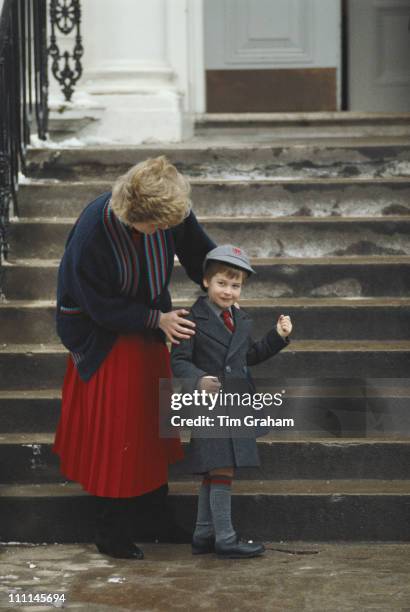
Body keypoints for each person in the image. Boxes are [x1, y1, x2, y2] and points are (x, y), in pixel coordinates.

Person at [53, 156, 215, 559]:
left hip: (149, 325)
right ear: (133, 215)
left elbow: (198, 253)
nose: (164, 232)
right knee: (117, 433)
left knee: (152, 428)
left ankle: (153, 520)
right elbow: (95, 304)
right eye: (156, 227)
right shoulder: (93, 231)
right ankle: (109, 529)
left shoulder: (170, 210)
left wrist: (222, 278)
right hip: (103, 334)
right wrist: (155, 319)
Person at [171, 244, 293, 559]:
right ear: (206, 283)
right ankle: (225, 537)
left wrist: (276, 337)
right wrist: (199, 379)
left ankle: (202, 534)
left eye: (235, 285)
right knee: (221, 468)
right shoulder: (190, 319)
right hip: (209, 404)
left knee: (216, 470)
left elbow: (248, 356)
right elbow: (179, 361)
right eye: (222, 283)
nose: (228, 291)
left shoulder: (240, 320)